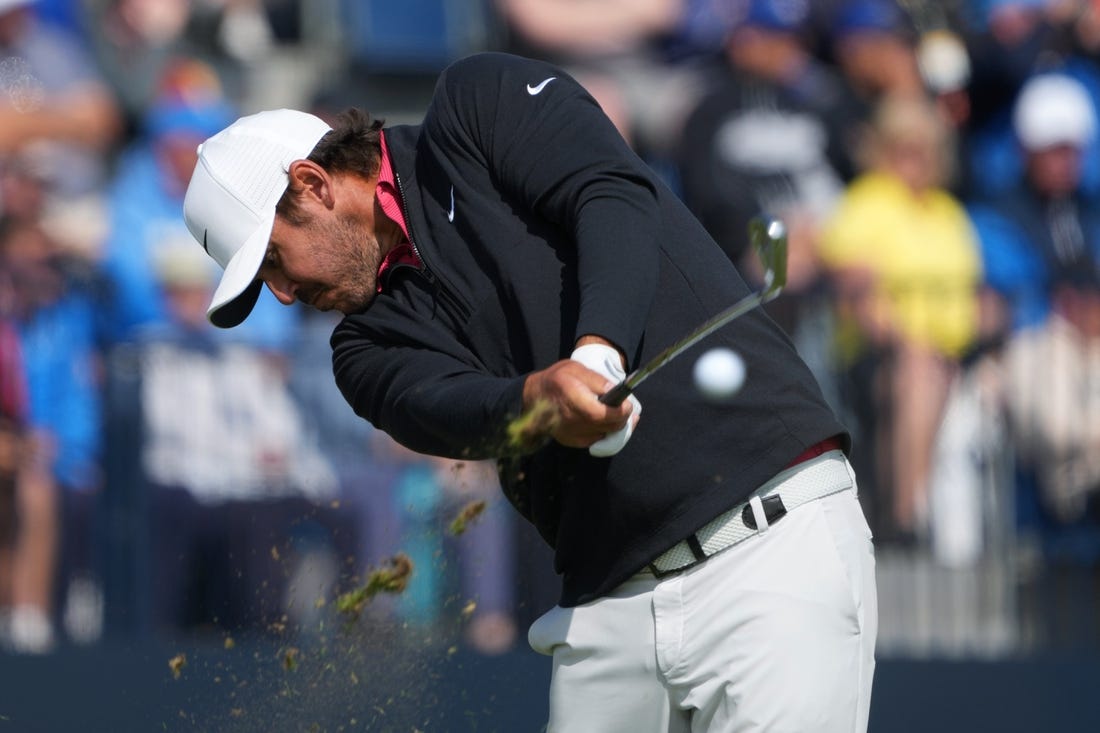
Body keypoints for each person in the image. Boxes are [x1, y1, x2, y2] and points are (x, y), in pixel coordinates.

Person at [183, 52, 877, 731]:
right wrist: (539, 402)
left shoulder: (477, 105)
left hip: (769, 545)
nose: (282, 292)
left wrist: (597, 351)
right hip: (606, 609)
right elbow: (453, 412)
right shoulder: (361, 348)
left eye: (274, 258)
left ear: (312, 183)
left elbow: (610, 194)